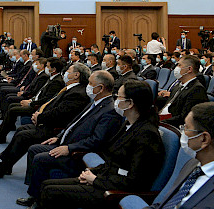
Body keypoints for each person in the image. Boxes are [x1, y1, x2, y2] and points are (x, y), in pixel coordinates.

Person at [36, 80, 165, 209]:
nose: (115, 100)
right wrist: (92, 171)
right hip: (106, 178)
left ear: (130, 103)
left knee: (50, 191)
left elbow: (135, 181)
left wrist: (95, 180)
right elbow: (112, 159)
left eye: (119, 97)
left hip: (115, 191)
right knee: (46, 184)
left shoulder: (147, 134)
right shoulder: (129, 124)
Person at [18, 71, 122, 207]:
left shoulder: (109, 110)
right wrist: (59, 137)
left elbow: (96, 140)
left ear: (101, 88)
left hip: (77, 153)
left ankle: (37, 200)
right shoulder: (95, 102)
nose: (88, 86)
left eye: (90, 83)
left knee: (40, 158)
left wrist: (69, 148)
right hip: (66, 143)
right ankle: (34, 193)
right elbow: (74, 123)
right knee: (34, 149)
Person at [0, 63, 90, 176]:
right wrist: (39, 114)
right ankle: (6, 166)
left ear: (76, 75)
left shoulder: (78, 93)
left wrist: (39, 117)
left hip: (55, 129)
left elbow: (60, 113)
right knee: (22, 130)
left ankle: (3, 167)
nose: (65, 73)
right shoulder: (69, 89)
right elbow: (52, 105)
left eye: (68, 71)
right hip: (48, 122)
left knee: (23, 135)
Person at [0, 59, 66, 144]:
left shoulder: (57, 81)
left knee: (13, 110)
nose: (46, 68)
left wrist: (30, 103)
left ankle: (1, 137)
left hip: (38, 107)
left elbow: (47, 99)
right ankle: (2, 132)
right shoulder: (52, 78)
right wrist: (30, 100)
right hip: (34, 101)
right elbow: (39, 94)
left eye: (47, 66)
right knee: (12, 106)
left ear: (54, 69)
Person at [160, 55, 208, 127]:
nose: (176, 68)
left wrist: (159, 122)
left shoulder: (197, 89)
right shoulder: (178, 85)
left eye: (179, 65)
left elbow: (184, 117)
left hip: (173, 125)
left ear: (189, 69)